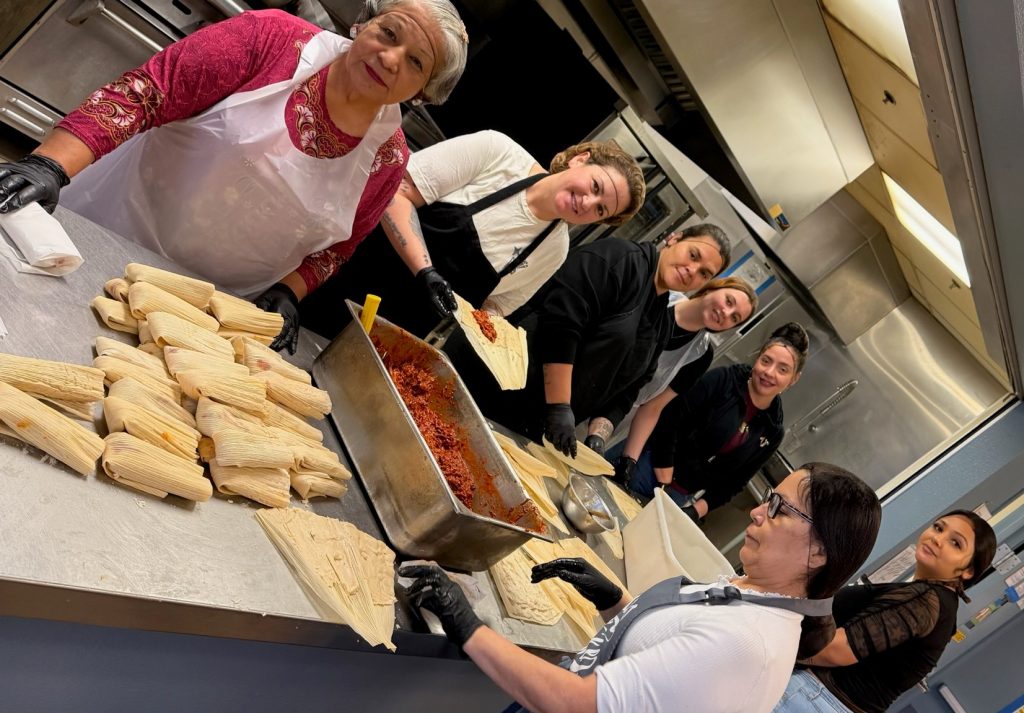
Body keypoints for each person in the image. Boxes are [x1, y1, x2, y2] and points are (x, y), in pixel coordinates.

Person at [0, 1, 469, 353]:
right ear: (362, 24)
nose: (391, 57)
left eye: (415, 62)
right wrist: (51, 164)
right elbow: (149, 92)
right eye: (389, 32)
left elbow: (336, 250)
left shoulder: (387, 162)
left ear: (424, 93)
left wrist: (289, 290)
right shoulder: (273, 40)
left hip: (191, 310)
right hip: (101, 231)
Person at [401, 462, 883, 713]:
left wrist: (466, 624)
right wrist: (617, 602)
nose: (759, 511)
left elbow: (574, 704)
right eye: (770, 498)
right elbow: (672, 657)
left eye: (780, 509)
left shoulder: (747, 643)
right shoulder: (753, 594)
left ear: (819, 553)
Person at [299, 130, 647, 339]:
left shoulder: (554, 249)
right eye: (596, 186)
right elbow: (395, 193)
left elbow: (495, 307)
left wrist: (489, 327)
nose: (588, 202)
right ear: (580, 160)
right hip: (338, 275)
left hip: (391, 332)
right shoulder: (498, 152)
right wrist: (425, 270)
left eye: (602, 209)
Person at [455, 224, 731, 458]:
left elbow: (629, 389)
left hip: (527, 422)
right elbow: (562, 327)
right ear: (675, 238)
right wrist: (560, 405)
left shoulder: (660, 318)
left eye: (704, 273)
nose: (692, 270)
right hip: (492, 388)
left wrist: (600, 432)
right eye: (693, 255)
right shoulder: (620, 260)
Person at [774, 510, 997, 713]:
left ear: (968, 570)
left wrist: (772, 644)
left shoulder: (926, 599)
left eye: (956, 543)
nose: (937, 539)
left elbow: (836, 650)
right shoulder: (938, 604)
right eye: (938, 527)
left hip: (813, 698)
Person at [610, 322, 808, 522]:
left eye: (783, 370)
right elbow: (671, 415)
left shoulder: (773, 430)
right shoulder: (724, 380)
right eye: (766, 361)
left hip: (677, 496)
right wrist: (664, 462)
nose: (769, 372)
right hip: (645, 462)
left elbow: (735, 482)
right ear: (758, 358)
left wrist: (696, 510)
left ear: (794, 379)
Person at [589, 275, 758, 456]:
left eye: (735, 318)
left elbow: (653, 407)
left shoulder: (700, 355)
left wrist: (629, 459)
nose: (726, 313)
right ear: (713, 288)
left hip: (613, 415)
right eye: (728, 301)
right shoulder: (660, 297)